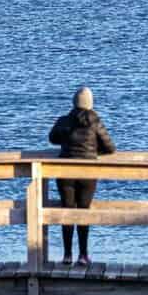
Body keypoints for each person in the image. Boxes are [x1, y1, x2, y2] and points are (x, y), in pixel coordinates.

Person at [47, 86, 116, 265]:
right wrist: (94, 150)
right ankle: (83, 255)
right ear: (90, 103)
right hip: (87, 173)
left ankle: (67, 255)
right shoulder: (95, 121)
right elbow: (110, 148)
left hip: (65, 173)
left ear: (74, 102)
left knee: (67, 212)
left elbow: (52, 138)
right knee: (84, 212)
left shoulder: (64, 121)